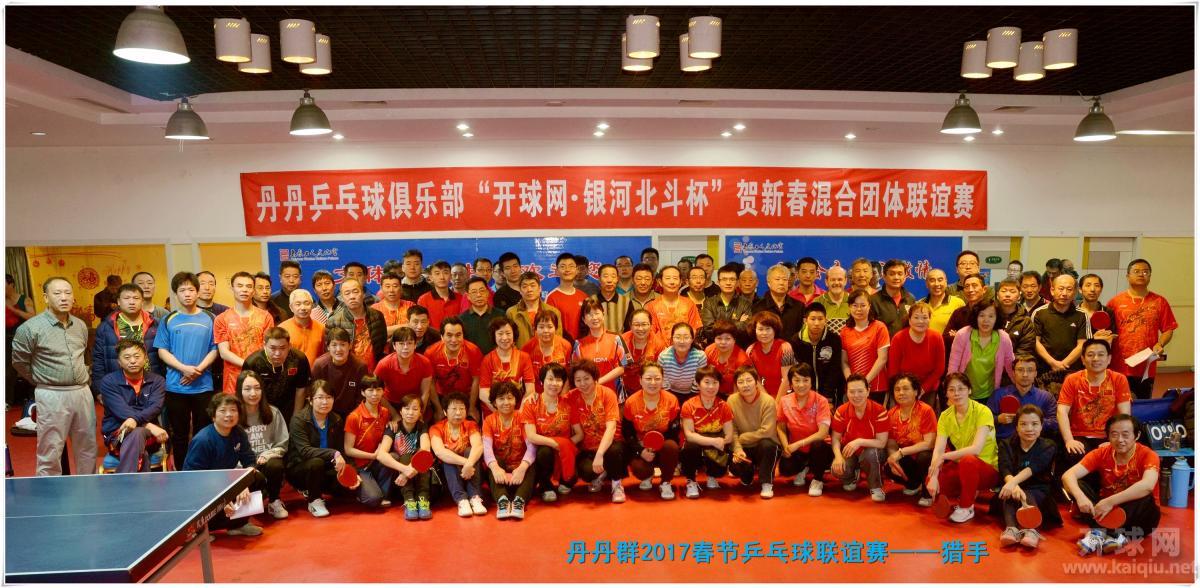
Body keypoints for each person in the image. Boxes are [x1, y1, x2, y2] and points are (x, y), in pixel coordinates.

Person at [11, 276, 97, 476]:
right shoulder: (30, 328)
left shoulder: (80, 325)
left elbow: (84, 355)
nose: (64, 297)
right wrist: (41, 379)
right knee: (50, 450)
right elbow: (19, 362)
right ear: (46, 297)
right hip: (51, 393)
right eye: (57, 293)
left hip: (82, 392)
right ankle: (50, 492)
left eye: (68, 293)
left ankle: (88, 489)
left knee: (87, 448)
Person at [1063, 414, 1161, 556]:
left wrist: (1110, 502)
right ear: (1108, 436)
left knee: (1145, 495)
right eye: (1114, 434)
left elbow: (1148, 485)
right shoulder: (1102, 453)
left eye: (1125, 435)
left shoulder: (1148, 455)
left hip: (1140, 519)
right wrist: (1080, 497)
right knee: (1076, 485)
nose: (1120, 440)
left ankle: (1100, 533)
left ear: (1137, 435)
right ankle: (1112, 536)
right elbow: (1068, 476)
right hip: (1107, 513)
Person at [154, 272, 218, 469]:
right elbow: (162, 350)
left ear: (197, 292)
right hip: (176, 386)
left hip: (203, 385)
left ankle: (201, 469)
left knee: (203, 432)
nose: (187, 294)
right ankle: (182, 470)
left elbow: (215, 349)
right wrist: (184, 369)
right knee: (179, 434)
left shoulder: (210, 318)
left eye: (191, 289)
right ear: (175, 294)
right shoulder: (168, 319)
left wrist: (198, 370)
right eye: (182, 290)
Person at [183, 394, 267, 535]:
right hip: (203, 491)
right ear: (213, 416)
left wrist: (243, 484)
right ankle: (201, 529)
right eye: (223, 410)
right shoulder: (203, 440)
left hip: (225, 483)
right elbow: (192, 479)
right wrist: (221, 499)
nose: (229, 414)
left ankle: (238, 524)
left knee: (257, 478)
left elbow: (250, 461)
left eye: (233, 410)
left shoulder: (238, 433)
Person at [926, 372, 1000, 523]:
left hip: (987, 469)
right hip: (962, 466)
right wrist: (933, 475)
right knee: (931, 479)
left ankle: (966, 507)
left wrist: (944, 457)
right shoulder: (945, 416)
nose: (956, 393)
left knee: (968, 460)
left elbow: (976, 449)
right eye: (951, 389)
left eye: (961, 388)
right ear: (946, 393)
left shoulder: (983, 411)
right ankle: (968, 490)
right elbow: (938, 449)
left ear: (969, 390)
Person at [1057, 339, 1132, 474]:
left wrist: (1114, 440)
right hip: (1079, 435)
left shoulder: (1118, 379)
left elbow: (1124, 415)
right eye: (1090, 355)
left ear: (1109, 359)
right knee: (1072, 454)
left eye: (1101, 354)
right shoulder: (1072, 380)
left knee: (1114, 457)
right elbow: (1061, 411)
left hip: (1108, 435)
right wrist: (1069, 440)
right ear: (1083, 359)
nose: (1096, 358)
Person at [1107, 259, 1178, 399]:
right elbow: (1107, 331)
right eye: (1136, 271)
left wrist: (1160, 343)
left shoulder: (1160, 301)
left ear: (1150, 276)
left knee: (1142, 404)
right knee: (1118, 404)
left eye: (1145, 272)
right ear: (1128, 276)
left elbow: (1169, 328)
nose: (1141, 274)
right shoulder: (1115, 302)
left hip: (1146, 366)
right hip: (1118, 365)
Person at [98, 340, 168, 473]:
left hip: (150, 438)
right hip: (117, 435)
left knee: (138, 433)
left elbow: (155, 407)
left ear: (145, 358)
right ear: (119, 362)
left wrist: (136, 421)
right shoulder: (109, 382)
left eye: (137, 356)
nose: (132, 361)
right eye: (127, 357)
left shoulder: (157, 381)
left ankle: (125, 482)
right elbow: (120, 410)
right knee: (138, 438)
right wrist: (148, 425)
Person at [997, 405, 1060, 549]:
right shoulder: (1006, 444)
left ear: (1041, 426)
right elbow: (1004, 468)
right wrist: (1014, 485)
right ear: (1016, 427)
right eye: (1023, 424)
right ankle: (1011, 529)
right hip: (1012, 489)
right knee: (1010, 494)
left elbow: (1034, 467)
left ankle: (1032, 530)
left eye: (1034, 424)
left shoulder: (1049, 445)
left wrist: (1013, 483)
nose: (1029, 428)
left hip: (1039, 491)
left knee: (1023, 493)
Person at [342, 375, 404, 512]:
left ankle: (381, 493)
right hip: (361, 467)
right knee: (373, 499)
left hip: (377, 463)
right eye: (370, 390)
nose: (375, 394)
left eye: (378, 390)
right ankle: (368, 492)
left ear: (383, 391)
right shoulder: (354, 417)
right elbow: (348, 450)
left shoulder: (385, 412)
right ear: (362, 392)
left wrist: (392, 423)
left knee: (393, 456)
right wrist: (373, 456)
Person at [285, 381, 347, 518]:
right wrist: (333, 453)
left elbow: (340, 450)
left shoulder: (336, 420)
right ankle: (314, 500)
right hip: (300, 469)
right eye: (320, 397)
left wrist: (351, 473)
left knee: (346, 489)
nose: (325, 402)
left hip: (325, 467)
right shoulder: (299, 420)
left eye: (329, 397)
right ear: (310, 400)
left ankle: (315, 489)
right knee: (316, 462)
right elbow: (305, 451)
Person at [569, 359, 626, 503]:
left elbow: (611, 428)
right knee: (586, 473)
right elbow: (554, 399)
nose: (583, 383)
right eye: (578, 380)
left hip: (612, 443)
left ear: (594, 377)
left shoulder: (607, 394)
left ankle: (617, 485)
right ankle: (604, 472)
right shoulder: (572, 397)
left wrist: (600, 454)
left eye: (586, 378)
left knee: (614, 452)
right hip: (588, 447)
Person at [235, 370, 290, 519]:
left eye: (257, 388)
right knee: (244, 514)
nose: (253, 393)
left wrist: (268, 454)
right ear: (239, 391)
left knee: (275, 465)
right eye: (247, 389)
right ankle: (250, 507)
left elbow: (282, 443)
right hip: (243, 466)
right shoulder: (233, 415)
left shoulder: (273, 412)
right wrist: (244, 468)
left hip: (265, 462)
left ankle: (274, 501)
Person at [521, 362, 579, 502]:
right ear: (542, 381)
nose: (554, 383)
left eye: (559, 380)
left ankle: (563, 478)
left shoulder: (568, 403)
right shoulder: (531, 403)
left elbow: (579, 434)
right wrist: (556, 444)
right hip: (541, 452)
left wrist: (563, 446)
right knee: (545, 452)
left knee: (571, 479)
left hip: (564, 452)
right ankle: (546, 486)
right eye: (550, 379)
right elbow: (531, 436)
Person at [623, 362, 682, 500]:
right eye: (648, 378)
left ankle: (665, 482)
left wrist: (656, 445)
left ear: (663, 380)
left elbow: (674, 433)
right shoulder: (631, 402)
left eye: (657, 378)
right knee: (640, 469)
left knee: (671, 447)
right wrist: (640, 450)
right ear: (640, 380)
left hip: (663, 445)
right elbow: (627, 433)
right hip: (641, 446)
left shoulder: (671, 400)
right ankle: (647, 475)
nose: (653, 383)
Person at [776, 363, 834, 497]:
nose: (801, 385)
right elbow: (780, 426)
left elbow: (823, 433)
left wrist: (798, 444)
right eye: (796, 380)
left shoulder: (821, 401)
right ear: (790, 383)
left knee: (819, 445)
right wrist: (786, 446)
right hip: (797, 450)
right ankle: (804, 468)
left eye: (805, 380)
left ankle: (817, 479)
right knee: (785, 468)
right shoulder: (784, 401)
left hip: (819, 448)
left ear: (812, 381)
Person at [830, 374, 889, 501]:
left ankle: (876, 486)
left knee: (871, 454)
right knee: (836, 469)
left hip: (873, 451)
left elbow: (882, 443)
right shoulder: (841, 411)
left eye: (860, 391)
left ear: (868, 391)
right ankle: (852, 477)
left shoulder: (880, 411)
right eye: (852, 392)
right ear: (847, 392)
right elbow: (835, 439)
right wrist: (838, 456)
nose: (856, 395)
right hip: (850, 451)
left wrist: (859, 441)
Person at [214, 271, 275, 394]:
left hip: (259, 375)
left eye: (249, 286)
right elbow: (224, 352)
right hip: (233, 378)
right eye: (240, 286)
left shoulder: (265, 317)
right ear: (232, 288)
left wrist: (256, 366)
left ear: (253, 290)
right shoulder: (221, 319)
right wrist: (248, 365)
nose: (244, 290)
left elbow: (269, 347)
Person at [483, 381, 537, 519]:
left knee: (530, 463)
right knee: (494, 461)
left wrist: (522, 468)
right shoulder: (489, 421)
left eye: (510, 398)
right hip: (500, 474)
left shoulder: (523, 417)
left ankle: (519, 501)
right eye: (501, 399)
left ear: (516, 400)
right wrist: (495, 468)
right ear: (494, 402)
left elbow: (532, 446)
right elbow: (487, 449)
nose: (506, 402)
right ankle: (502, 501)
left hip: (520, 473)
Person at [883, 373, 937, 505]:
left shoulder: (925, 410)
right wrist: (894, 460)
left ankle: (927, 494)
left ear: (916, 391)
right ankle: (914, 484)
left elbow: (929, 443)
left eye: (906, 388)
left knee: (924, 456)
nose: (901, 393)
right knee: (888, 467)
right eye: (897, 389)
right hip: (909, 458)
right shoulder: (891, 414)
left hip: (929, 458)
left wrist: (901, 453)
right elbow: (891, 444)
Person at [92, 283, 161, 384]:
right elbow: (98, 359)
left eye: (136, 298)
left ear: (142, 301)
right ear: (118, 301)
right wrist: (99, 387)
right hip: (118, 385)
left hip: (151, 383)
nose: (131, 302)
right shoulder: (106, 327)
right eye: (127, 298)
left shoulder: (155, 324)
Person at [948, 300, 1016, 403]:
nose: (986, 320)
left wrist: (1019, 385)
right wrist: (952, 393)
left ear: (997, 318)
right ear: (976, 317)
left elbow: (1010, 366)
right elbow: (953, 366)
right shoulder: (963, 335)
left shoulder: (1004, 338)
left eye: (991, 316)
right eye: (981, 315)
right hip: (964, 393)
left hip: (990, 394)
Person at [431, 392, 487, 517]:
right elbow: (439, 452)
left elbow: (478, 446)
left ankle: (475, 497)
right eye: (454, 409)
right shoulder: (436, 428)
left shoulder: (471, 425)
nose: (458, 413)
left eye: (462, 409)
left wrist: (469, 463)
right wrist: (467, 463)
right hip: (449, 474)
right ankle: (462, 500)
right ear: (445, 412)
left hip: (472, 473)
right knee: (448, 456)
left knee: (470, 451)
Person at [728, 365, 779, 499]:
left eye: (749, 380)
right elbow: (732, 430)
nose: (745, 385)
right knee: (736, 467)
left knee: (768, 445)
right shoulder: (731, 400)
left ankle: (767, 483)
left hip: (763, 445)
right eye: (740, 382)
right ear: (736, 385)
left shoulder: (768, 401)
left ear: (756, 382)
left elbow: (767, 431)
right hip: (744, 448)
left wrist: (744, 438)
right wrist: (738, 449)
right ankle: (747, 474)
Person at [241, 327, 311, 421]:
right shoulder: (252, 362)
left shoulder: (299, 359)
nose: (277, 353)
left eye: (282, 348)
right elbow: (247, 392)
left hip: (290, 407)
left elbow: (301, 389)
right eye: (273, 348)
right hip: (262, 409)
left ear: (289, 346)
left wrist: (296, 418)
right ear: (264, 345)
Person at [986, 355, 1059, 442]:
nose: (1025, 374)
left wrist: (1034, 422)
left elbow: (1054, 423)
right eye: (1020, 370)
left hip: (1034, 444)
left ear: (1035, 373)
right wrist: (998, 419)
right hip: (1004, 443)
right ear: (1013, 373)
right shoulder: (998, 394)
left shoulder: (1046, 397)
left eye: (1030, 370)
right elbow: (984, 420)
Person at [384, 394, 433, 520]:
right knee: (405, 456)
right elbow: (381, 454)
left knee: (421, 456)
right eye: (406, 408)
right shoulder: (394, 427)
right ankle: (409, 500)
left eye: (415, 409)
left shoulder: (422, 427)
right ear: (400, 411)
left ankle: (423, 499)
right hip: (399, 478)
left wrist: (407, 472)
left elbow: (425, 450)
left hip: (418, 474)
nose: (410, 413)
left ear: (420, 412)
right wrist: (405, 470)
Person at [1031, 274, 1086, 387]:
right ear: (1052, 290)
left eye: (1069, 289)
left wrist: (1063, 364)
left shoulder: (1082, 315)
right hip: (1044, 370)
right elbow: (1035, 341)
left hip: (1072, 371)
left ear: (1075, 292)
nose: (1064, 293)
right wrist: (1053, 363)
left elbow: (1082, 344)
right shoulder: (1039, 313)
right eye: (1061, 289)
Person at [424, 316, 483, 422]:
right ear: (442, 336)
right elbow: (430, 382)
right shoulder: (431, 353)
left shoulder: (473, 350)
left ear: (463, 335)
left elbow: (476, 380)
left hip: (467, 397)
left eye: (458, 335)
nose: (454, 340)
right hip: (442, 397)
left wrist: (471, 408)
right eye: (449, 335)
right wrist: (438, 409)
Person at [886, 301, 945, 406]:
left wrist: (922, 389)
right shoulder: (898, 338)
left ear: (930, 320)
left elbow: (939, 368)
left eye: (925, 317)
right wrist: (905, 390)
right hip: (902, 388)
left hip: (928, 389)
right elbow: (893, 371)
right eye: (916, 317)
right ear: (909, 320)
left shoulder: (937, 337)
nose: (920, 321)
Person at [327, 278, 388, 371]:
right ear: (342, 298)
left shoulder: (377, 316)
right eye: (347, 293)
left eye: (355, 292)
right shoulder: (333, 321)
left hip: (374, 371)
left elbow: (382, 343)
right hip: (348, 372)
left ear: (363, 294)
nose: (352, 296)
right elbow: (330, 352)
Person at [572, 300, 630, 398]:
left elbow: (622, 368)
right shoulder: (578, 344)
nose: (594, 317)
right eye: (589, 315)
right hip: (588, 396)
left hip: (615, 395)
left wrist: (598, 382)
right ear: (584, 320)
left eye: (597, 313)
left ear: (603, 315)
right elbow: (575, 372)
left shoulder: (616, 339)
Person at [840, 289, 890, 402]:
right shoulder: (844, 331)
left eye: (863, 305)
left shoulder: (879, 327)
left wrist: (865, 382)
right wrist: (851, 382)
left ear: (869, 306)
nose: (859, 309)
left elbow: (882, 358)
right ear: (849, 307)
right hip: (853, 389)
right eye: (855, 305)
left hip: (876, 387)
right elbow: (844, 361)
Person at [790, 303, 844, 405]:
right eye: (813, 319)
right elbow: (799, 371)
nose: (816, 323)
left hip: (830, 393)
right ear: (805, 321)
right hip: (805, 392)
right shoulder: (796, 340)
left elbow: (834, 369)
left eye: (820, 319)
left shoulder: (834, 339)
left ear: (826, 320)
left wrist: (827, 396)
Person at [375, 327, 434, 420]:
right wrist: (394, 414)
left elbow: (425, 392)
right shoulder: (384, 364)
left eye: (409, 343)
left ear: (415, 345)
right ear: (394, 345)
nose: (406, 347)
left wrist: (419, 413)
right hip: (390, 404)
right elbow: (376, 392)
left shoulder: (425, 362)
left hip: (414, 404)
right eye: (401, 344)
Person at [479, 317, 536, 412]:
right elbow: (483, 393)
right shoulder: (487, 359)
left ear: (514, 334)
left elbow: (530, 390)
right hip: (493, 411)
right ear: (494, 336)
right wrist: (500, 411)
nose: (505, 338)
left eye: (508, 333)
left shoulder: (524, 357)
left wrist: (520, 411)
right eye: (500, 334)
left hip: (518, 410)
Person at [311, 327, 369, 418]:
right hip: (326, 413)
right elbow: (313, 395)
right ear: (328, 347)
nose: (338, 349)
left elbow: (361, 398)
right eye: (334, 345)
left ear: (350, 346)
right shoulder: (319, 365)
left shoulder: (360, 367)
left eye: (343, 344)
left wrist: (353, 418)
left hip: (352, 415)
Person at [698, 263, 752, 347]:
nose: (728, 283)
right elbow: (709, 330)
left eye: (732, 279)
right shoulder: (709, 303)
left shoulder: (745, 303)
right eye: (724, 279)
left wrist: (718, 326)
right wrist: (737, 323)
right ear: (718, 282)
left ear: (737, 282)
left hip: (738, 348)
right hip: (714, 348)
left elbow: (746, 329)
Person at [746, 311, 796, 398]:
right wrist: (768, 401)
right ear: (755, 331)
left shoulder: (785, 348)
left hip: (787, 395)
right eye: (760, 329)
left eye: (768, 329)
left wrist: (776, 403)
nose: (764, 333)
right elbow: (756, 380)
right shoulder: (750, 351)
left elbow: (787, 379)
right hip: (763, 396)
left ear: (774, 330)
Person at [506, 271, 562, 348]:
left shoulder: (553, 312)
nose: (529, 290)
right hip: (521, 354)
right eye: (525, 286)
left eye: (533, 285)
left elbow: (558, 340)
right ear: (520, 290)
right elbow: (510, 341)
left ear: (540, 288)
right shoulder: (512, 313)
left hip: (546, 354)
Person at [620, 309, 668, 396]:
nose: (640, 328)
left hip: (649, 389)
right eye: (636, 325)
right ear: (630, 325)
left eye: (644, 324)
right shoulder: (622, 341)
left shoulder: (659, 345)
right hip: (624, 389)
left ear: (650, 325)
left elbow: (660, 374)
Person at [751, 264, 805, 341]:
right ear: (769, 283)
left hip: (792, 347)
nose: (781, 283)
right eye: (777, 279)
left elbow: (802, 334)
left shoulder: (799, 306)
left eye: (785, 279)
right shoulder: (758, 307)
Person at [6, 273, 37, 406]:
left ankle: (33, 399)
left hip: (24, 339)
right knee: (8, 372)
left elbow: (33, 317)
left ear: (11, 284)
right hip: (7, 339)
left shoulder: (25, 300)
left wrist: (13, 310)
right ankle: (7, 401)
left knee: (30, 368)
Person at [646, 265, 702, 338]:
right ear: (660, 282)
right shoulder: (652, 306)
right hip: (659, 345)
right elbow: (650, 332)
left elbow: (695, 329)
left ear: (680, 282)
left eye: (675, 278)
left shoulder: (689, 304)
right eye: (668, 278)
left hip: (685, 344)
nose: (672, 282)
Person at [523, 311, 572, 393]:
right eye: (541, 327)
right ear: (535, 328)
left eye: (550, 327)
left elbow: (567, 376)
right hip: (536, 394)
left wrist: (563, 397)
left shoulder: (566, 346)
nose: (545, 331)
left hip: (559, 393)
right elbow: (527, 380)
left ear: (556, 328)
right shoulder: (527, 349)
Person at [658, 322, 707, 404]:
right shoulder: (663, 356)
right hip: (670, 393)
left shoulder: (700, 356)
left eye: (686, 337)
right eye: (677, 337)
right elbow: (663, 382)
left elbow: (699, 380)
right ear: (672, 339)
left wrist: (690, 402)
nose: (682, 341)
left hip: (693, 394)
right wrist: (671, 400)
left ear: (692, 339)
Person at [942, 273, 990, 354]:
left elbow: (990, 340)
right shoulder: (958, 312)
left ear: (984, 289)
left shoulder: (992, 312)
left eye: (974, 286)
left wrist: (958, 336)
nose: (970, 290)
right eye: (967, 286)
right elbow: (946, 337)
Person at [546, 253, 588, 340]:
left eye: (571, 266)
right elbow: (548, 326)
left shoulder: (583, 296)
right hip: (561, 345)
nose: (567, 270)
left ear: (576, 270)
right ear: (556, 271)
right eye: (563, 266)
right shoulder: (551, 297)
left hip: (581, 345)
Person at [278, 289, 325, 366]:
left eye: (307, 303)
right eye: (298, 304)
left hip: (316, 372)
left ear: (312, 305)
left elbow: (324, 355)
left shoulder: (321, 328)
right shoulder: (282, 329)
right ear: (291, 307)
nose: (303, 308)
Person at [869, 259, 916, 337]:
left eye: (900, 274)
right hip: (883, 344)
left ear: (905, 277)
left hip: (905, 343)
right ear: (884, 276)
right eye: (892, 274)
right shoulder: (873, 300)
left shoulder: (910, 299)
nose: (896, 277)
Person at [703, 319, 749, 397]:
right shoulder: (709, 350)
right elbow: (704, 376)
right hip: (711, 391)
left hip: (733, 395)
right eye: (719, 338)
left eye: (728, 339)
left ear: (734, 340)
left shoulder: (742, 360)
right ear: (714, 339)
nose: (723, 342)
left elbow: (742, 386)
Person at [460, 276, 505, 354]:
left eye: (482, 291)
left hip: (495, 358)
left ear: (487, 293)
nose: (478, 295)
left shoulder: (500, 315)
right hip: (472, 359)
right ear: (468, 296)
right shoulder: (462, 319)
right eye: (474, 292)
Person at [995, 278, 1036, 358]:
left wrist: (1006, 361)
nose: (1007, 294)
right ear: (997, 295)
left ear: (1019, 296)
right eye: (1004, 291)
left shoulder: (1025, 321)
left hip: (1014, 363)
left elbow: (1025, 350)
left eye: (1012, 291)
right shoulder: (988, 315)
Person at [416, 261, 461, 332]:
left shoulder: (461, 298)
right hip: (431, 338)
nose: (442, 277)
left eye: (445, 273)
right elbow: (421, 325)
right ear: (431, 277)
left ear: (451, 276)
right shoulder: (423, 300)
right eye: (437, 273)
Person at [591, 263, 633, 335]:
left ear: (617, 279)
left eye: (613, 276)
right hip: (596, 341)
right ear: (599, 279)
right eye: (605, 276)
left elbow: (630, 328)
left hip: (619, 341)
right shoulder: (590, 301)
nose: (609, 280)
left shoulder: (626, 302)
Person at [1077, 274, 1118, 346]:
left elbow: (1111, 339)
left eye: (1097, 285)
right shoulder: (1073, 313)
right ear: (1080, 289)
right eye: (1088, 285)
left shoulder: (1108, 312)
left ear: (1101, 289)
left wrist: (1108, 338)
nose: (1092, 289)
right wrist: (1093, 339)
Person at [922, 268, 964, 336]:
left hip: (948, 343)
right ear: (927, 284)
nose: (936, 284)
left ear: (946, 282)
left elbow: (965, 330)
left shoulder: (958, 303)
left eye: (940, 280)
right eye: (932, 280)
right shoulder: (920, 304)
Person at [372, 272, 413, 337]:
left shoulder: (410, 306)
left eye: (395, 286)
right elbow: (374, 333)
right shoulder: (374, 309)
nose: (391, 290)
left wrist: (387, 330)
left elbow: (415, 327)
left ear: (401, 288)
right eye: (387, 286)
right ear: (381, 288)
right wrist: (405, 326)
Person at [814, 265, 851, 333]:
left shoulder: (854, 301)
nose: (836, 283)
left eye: (840, 279)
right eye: (833, 280)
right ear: (826, 282)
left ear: (845, 281)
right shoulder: (817, 302)